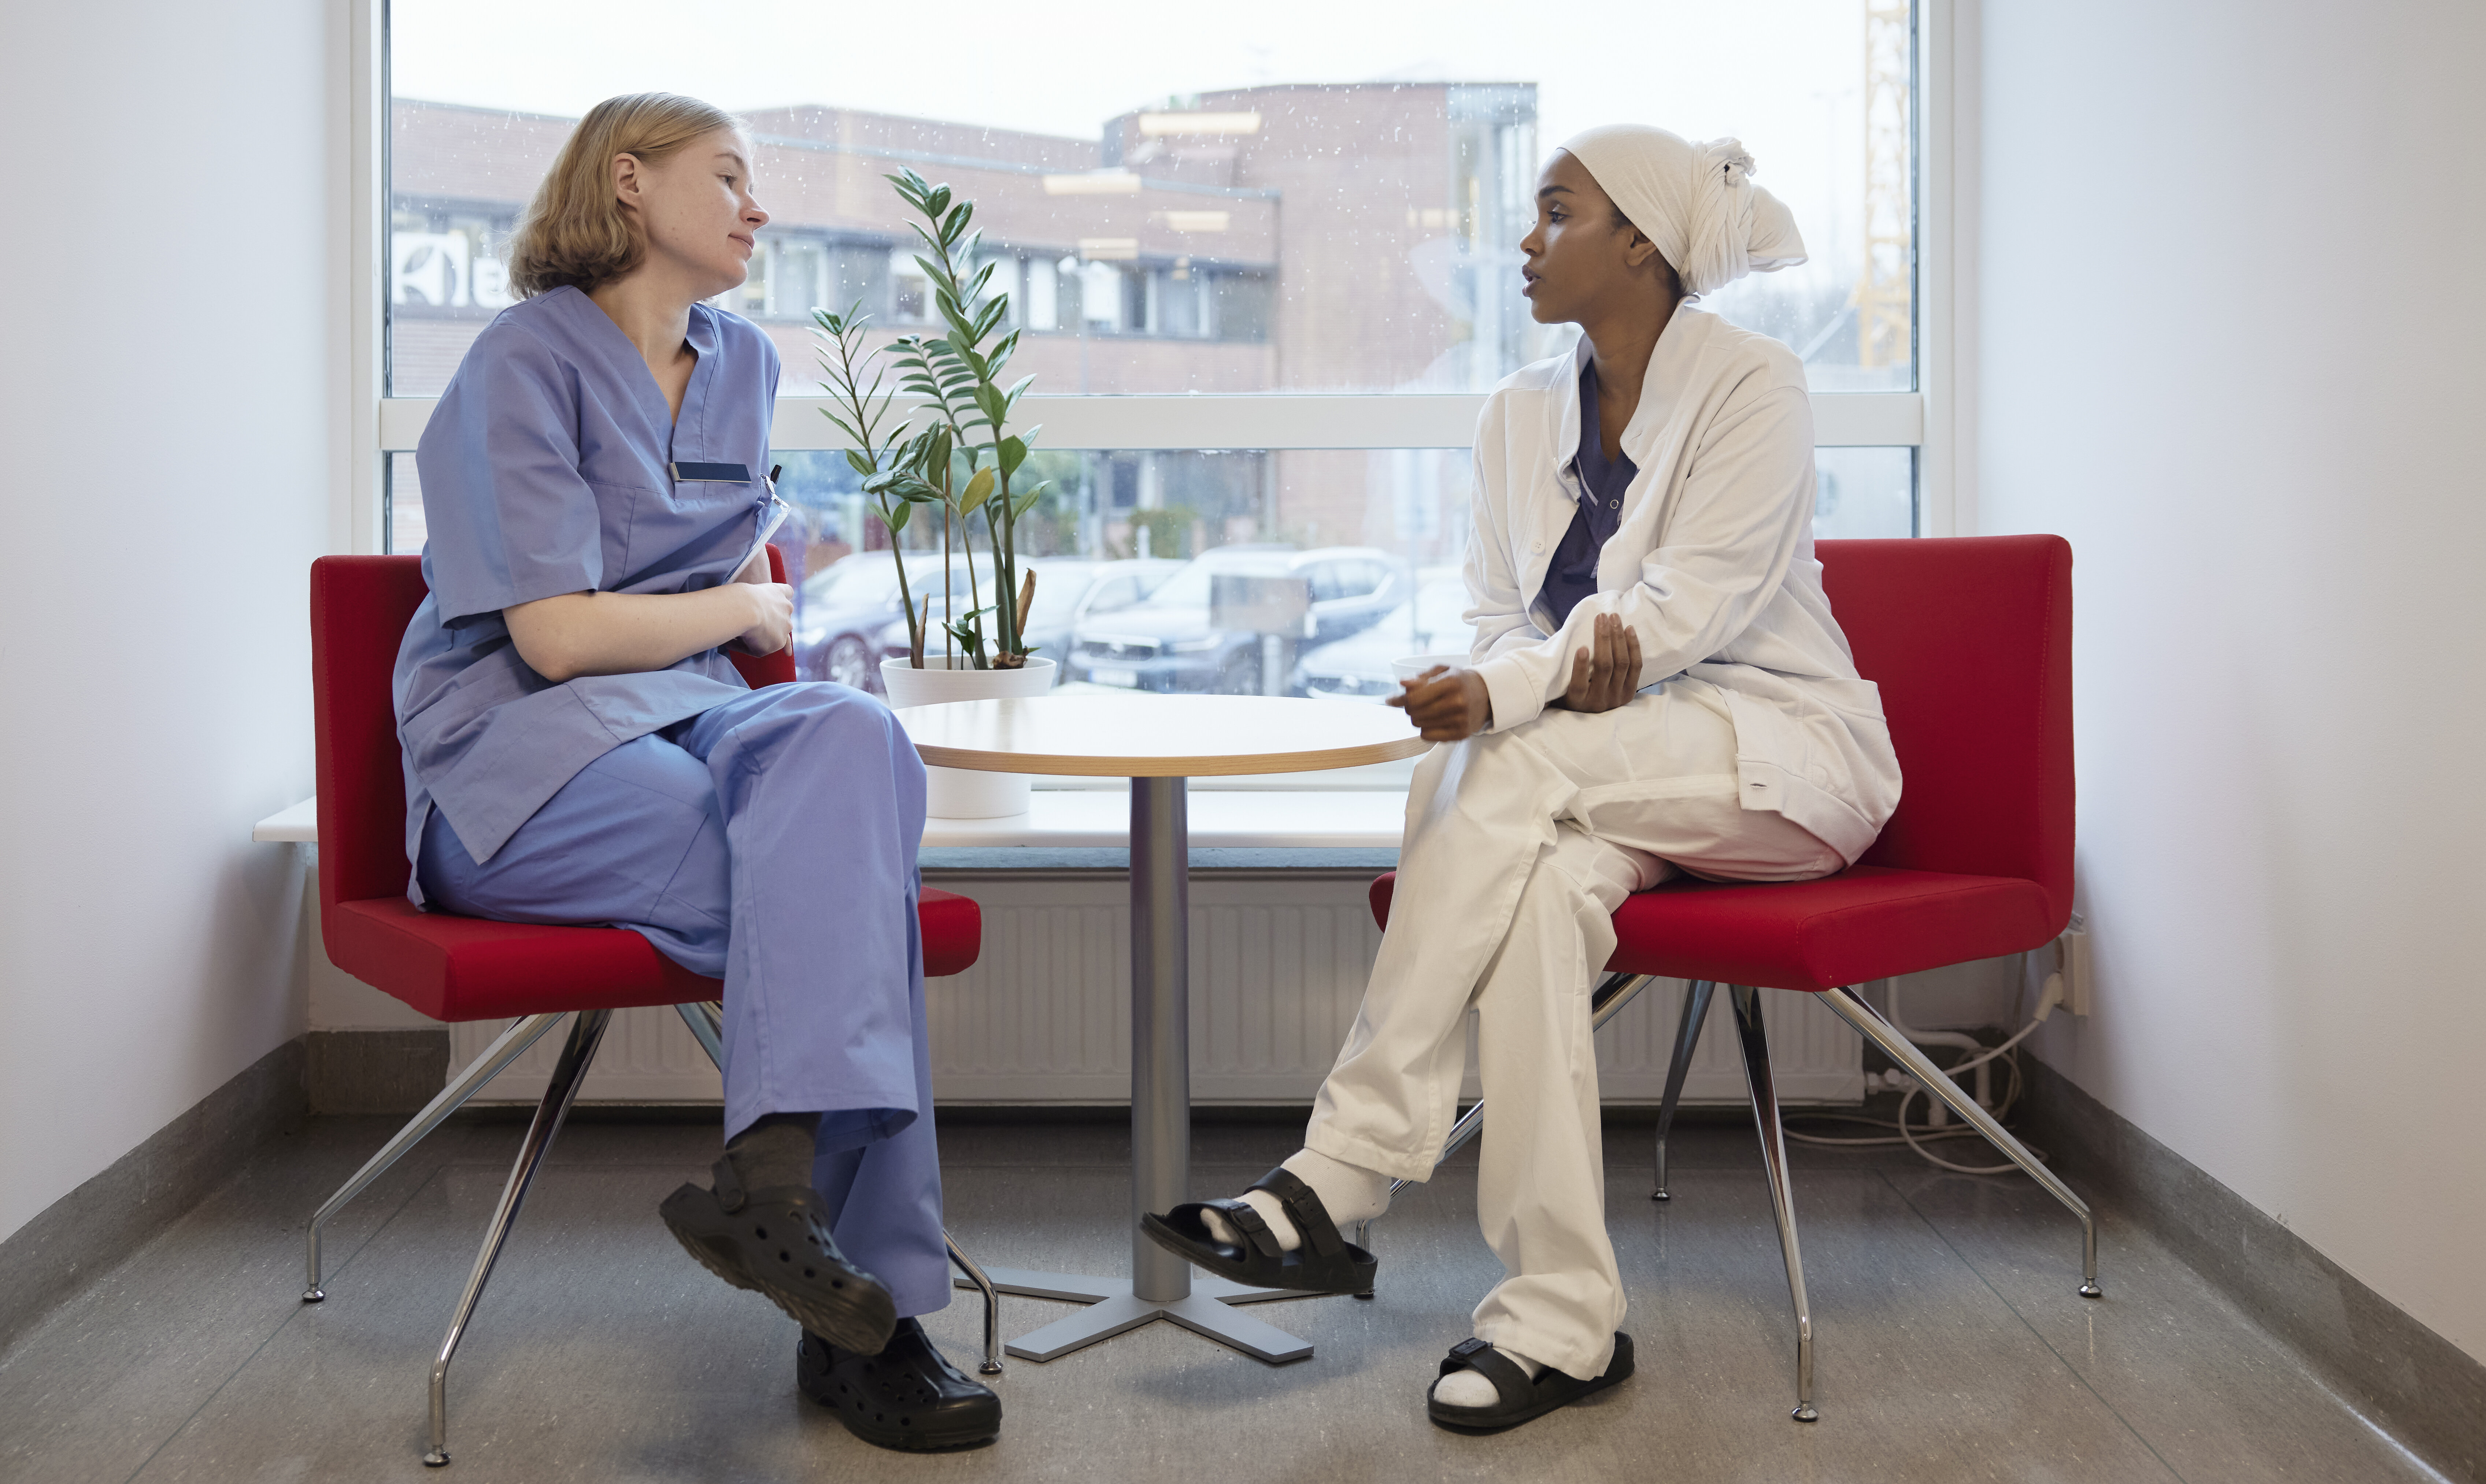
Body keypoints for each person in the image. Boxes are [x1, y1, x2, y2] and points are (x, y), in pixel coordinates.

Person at [1143, 125, 1901, 1432]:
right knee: (1541, 896)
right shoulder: (1512, 416)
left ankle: (1340, 1172)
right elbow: (1501, 615)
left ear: (1644, 245)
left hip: (1771, 755)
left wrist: (1509, 690)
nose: (1526, 241)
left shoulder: (1754, 384)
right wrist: (1510, 675)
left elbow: (1691, 607)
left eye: (1557, 212)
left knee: (1508, 744)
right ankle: (1561, 1319)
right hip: (1595, 777)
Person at [392, 93, 999, 1453]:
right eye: (725, 176)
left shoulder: (744, 360)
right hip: (516, 760)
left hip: (684, 714)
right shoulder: (518, 365)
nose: (755, 205)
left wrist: (737, 614)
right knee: (846, 901)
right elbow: (554, 637)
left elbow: (718, 558)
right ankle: (876, 1322)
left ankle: (768, 1192)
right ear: (627, 184)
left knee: (851, 735)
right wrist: (744, 612)